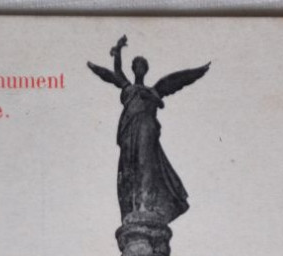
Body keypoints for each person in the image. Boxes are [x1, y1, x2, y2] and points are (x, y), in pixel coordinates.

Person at [87, 36, 210, 223]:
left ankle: (147, 205)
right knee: (129, 169)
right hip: (128, 130)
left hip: (146, 128)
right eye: (137, 65)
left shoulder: (154, 90)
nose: (139, 68)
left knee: (145, 165)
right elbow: (113, 73)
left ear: (146, 70)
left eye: (143, 66)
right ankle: (134, 207)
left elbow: (175, 85)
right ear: (133, 69)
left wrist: (197, 72)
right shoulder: (128, 87)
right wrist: (117, 51)